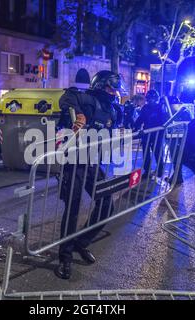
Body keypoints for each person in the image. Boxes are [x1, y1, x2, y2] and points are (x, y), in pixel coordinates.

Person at [55, 71, 126, 280]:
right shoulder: (86, 98)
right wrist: (78, 114)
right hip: (74, 163)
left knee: (106, 204)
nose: (113, 93)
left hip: (93, 163)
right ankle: (65, 257)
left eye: (115, 90)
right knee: (73, 207)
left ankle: (81, 243)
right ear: (100, 85)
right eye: (110, 88)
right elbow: (67, 96)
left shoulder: (112, 109)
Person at [134, 90, 167, 179]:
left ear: (156, 98)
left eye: (153, 98)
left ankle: (160, 170)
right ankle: (147, 171)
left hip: (157, 134)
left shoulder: (160, 108)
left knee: (157, 152)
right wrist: (135, 127)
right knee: (146, 154)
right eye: (150, 98)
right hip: (146, 134)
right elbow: (141, 118)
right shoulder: (145, 107)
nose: (151, 100)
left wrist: (161, 132)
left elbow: (164, 121)